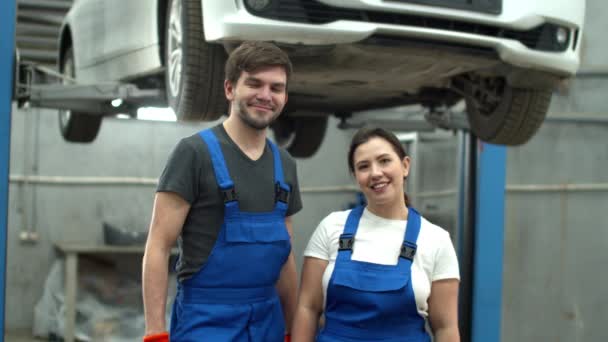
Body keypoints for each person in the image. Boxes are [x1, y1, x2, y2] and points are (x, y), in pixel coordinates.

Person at [142, 41, 302, 342]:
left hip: (268, 321)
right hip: (206, 321)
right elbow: (158, 246)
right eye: (254, 83)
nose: (265, 95)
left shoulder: (286, 165)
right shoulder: (193, 153)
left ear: (284, 96)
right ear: (229, 89)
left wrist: (294, 329)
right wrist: (155, 333)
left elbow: (286, 259)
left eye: (276, 88)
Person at [292, 126, 460, 342]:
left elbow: (446, 329)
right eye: (364, 166)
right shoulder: (332, 227)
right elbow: (308, 308)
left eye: (384, 161)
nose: (375, 173)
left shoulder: (436, 240)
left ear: (405, 165)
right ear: (356, 176)